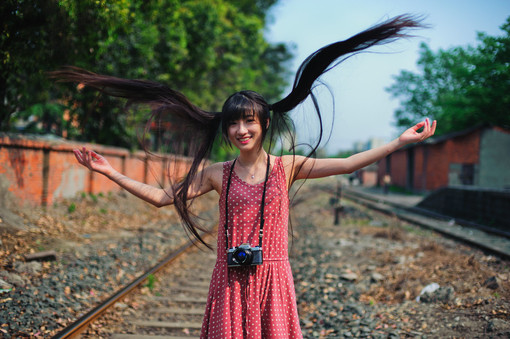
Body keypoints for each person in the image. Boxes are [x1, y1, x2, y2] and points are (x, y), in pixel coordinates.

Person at [53, 15, 436, 338]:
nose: (241, 129)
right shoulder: (216, 173)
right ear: (226, 129)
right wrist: (108, 171)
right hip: (229, 284)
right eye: (233, 122)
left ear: (264, 124)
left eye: (248, 121)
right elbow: (160, 197)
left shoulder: (287, 166)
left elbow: (350, 163)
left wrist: (398, 142)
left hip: (274, 281)